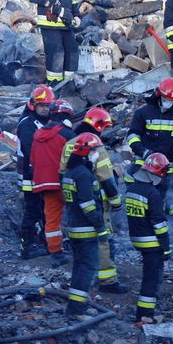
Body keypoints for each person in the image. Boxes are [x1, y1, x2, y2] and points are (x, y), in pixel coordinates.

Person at [63, 107, 126, 283]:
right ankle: (107, 280)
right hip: (95, 201)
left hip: (73, 201)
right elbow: (106, 179)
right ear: (98, 126)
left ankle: (85, 276)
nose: (104, 132)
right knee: (102, 239)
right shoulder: (96, 146)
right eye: (104, 128)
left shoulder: (70, 143)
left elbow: (62, 172)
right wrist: (116, 202)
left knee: (80, 240)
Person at [126, 78, 173, 213]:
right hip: (145, 165)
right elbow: (132, 136)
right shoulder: (143, 112)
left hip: (168, 167)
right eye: (166, 100)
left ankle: (167, 222)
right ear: (159, 95)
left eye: (172, 101)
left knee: (168, 200)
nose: (169, 103)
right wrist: (144, 152)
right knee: (146, 200)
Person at [63, 133, 106, 316]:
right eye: (95, 150)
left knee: (79, 268)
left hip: (75, 228)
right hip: (86, 231)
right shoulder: (83, 175)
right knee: (87, 269)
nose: (97, 154)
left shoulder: (71, 172)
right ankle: (78, 310)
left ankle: (75, 306)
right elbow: (88, 205)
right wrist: (100, 227)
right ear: (86, 152)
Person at [125, 152, 172, 321]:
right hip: (152, 242)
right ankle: (145, 315)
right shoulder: (152, 193)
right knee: (151, 279)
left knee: (149, 276)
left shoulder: (131, 189)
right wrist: (166, 247)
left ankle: (147, 310)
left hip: (137, 238)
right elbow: (159, 225)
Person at [30, 105, 76, 262]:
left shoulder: (38, 134)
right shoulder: (67, 134)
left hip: (44, 183)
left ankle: (56, 253)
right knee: (76, 215)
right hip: (64, 182)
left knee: (52, 219)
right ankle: (80, 248)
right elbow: (75, 160)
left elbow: (32, 159)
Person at [16, 86, 55, 259]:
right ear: (33, 105)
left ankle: (46, 241)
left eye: (48, 105)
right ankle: (27, 247)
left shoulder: (44, 121)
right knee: (33, 210)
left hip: (43, 174)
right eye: (42, 106)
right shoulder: (27, 124)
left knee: (46, 208)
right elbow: (30, 150)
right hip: (29, 176)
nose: (45, 109)